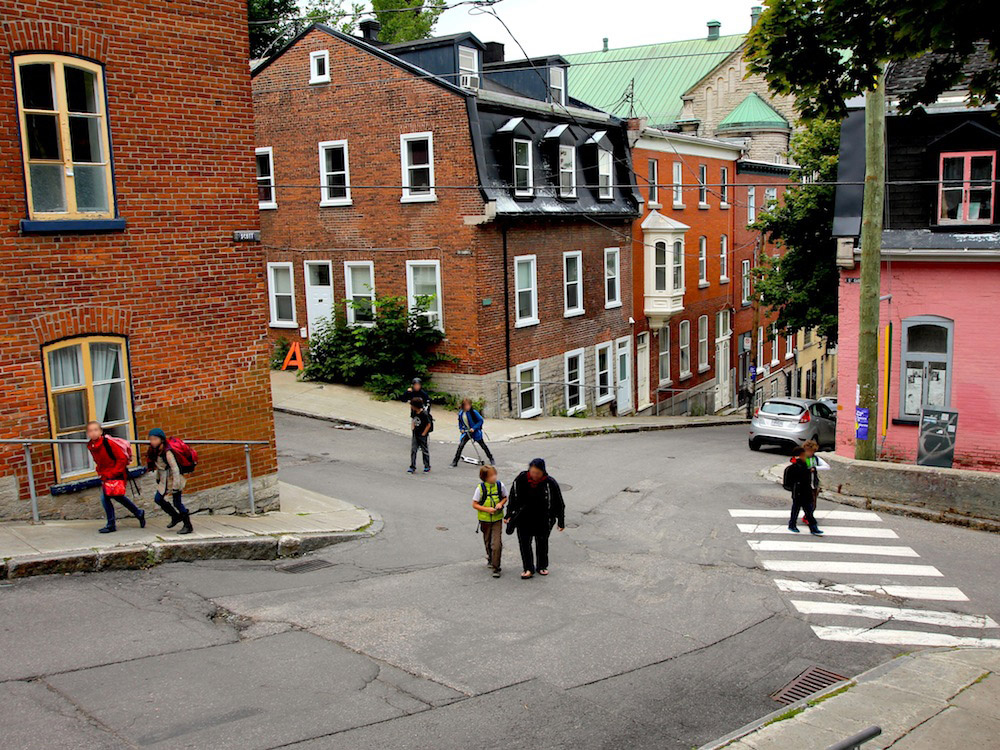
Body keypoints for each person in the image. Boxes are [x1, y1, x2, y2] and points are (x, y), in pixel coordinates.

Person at [505, 458, 565, 579]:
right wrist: (509, 514)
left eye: (537, 473)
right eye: (532, 472)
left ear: (543, 472)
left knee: (542, 543)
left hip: (543, 518)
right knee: (524, 543)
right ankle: (528, 568)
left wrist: (561, 521)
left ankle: (542, 566)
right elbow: (513, 497)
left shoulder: (550, 483)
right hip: (523, 517)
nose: (534, 475)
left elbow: (559, 503)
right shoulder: (521, 479)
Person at [85, 421, 145, 534]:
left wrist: (113, 473)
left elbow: (121, 459)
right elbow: (99, 461)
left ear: (101, 431)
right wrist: (101, 472)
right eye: (90, 431)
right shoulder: (92, 446)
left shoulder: (108, 443)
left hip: (116, 473)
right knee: (118, 497)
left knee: (106, 498)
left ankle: (111, 524)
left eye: (95, 430)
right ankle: (138, 513)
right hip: (105, 474)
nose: (93, 433)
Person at [145, 428, 193, 535]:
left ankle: (188, 525)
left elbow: (175, 470)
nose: (152, 441)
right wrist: (158, 478)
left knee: (177, 503)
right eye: (151, 439)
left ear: (161, 440)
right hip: (164, 480)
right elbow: (159, 466)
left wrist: (176, 487)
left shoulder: (168, 452)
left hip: (174, 480)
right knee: (158, 499)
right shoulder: (154, 450)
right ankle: (175, 516)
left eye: (155, 439)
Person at [472, 464, 507, 578]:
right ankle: (490, 557)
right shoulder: (480, 488)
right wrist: (487, 509)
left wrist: (500, 504)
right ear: (485, 477)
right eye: (491, 475)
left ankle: (496, 567)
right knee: (487, 541)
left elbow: (505, 497)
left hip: (497, 519)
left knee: (496, 544)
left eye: (495, 474)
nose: (494, 477)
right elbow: (474, 504)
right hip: (485, 520)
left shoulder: (499, 485)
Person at [783, 445, 823, 536]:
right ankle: (792, 525)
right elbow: (792, 480)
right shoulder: (795, 467)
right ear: (800, 455)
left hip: (806, 491)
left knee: (808, 511)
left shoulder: (806, 464)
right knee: (796, 510)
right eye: (804, 455)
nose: (806, 457)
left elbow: (811, 474)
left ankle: (813, 528)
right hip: (798, 492)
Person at [451, 398, 495, 467]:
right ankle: (455, 461)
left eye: (469, 405)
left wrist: (474, 428)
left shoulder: (473, 412)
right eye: (466, 405)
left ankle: (491, 458)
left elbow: (480, 421)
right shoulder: (461, 413)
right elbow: (460, 422)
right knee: (461, 446)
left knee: (483, 446)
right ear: (463, 406)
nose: (468, 407)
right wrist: (461, 429)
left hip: (475, 432)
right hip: (467, 432)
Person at [408, 397, 433, 473]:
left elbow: (428, 424)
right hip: (415, 433)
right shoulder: (414, 411)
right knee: (413, 450)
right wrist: (412, 427)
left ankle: (427, 466)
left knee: (424, 450)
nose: (411, 407)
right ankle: (412, 466)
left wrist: (424, 433)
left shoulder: (424, 414)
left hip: (422, 435)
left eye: (412, 405)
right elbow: (413, 419)